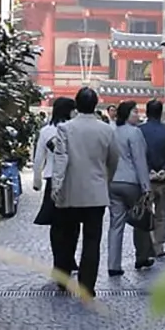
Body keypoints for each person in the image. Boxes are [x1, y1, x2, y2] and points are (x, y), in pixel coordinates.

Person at [52, 87, 120, 297]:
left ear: (77, 104)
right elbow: (113, 159)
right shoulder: (107, 130)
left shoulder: (65, 128)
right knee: (92, 240)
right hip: (96, 191)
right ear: (96, 104)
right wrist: (106, 179)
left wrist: (56, 186)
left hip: (70, 189)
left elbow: (60, 159)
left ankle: (63, 278)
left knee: (67, 236)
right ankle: (87, 285)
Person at [32, 96, 78, 276]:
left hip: (52, 179)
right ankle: (69, 259)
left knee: (57, 225)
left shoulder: (45, 131)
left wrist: (37, 181)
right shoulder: (74, 130)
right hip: (72, 179)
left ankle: (58, 263)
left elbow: (38, 159)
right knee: (73, 223)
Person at [108, 100, 154, 276]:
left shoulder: (111, 132)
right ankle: (142, 256)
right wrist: (146, 186)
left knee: (115, 223)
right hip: (131, 182)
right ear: (127, 114)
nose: (138, 114)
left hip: (113, 182)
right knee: (140, 218)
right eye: (134, 111)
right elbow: (139, 160)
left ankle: (113, 264)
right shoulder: (135, 132)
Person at [138, 99, 165, 259]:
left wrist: (149, 170)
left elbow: (138, 154)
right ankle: (159, 246)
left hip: (146, 180)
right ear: (161, 113)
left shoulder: (139, 131)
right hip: (164, 180)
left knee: (145, 213)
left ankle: (146, 245)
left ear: (147, 112)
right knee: (161, 214)